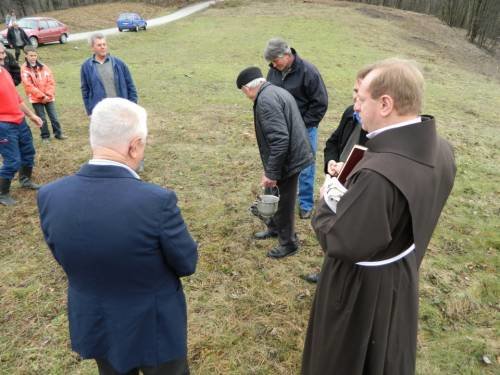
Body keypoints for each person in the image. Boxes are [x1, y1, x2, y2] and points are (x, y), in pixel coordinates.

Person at [301, 58, 456, 374]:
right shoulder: (442, 150)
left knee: (349, 360)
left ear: (385, 103)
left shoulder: (379, 174)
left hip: (362, 294)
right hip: (401, 276)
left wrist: (325, 202)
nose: (356, 107)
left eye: (361, 99)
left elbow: (340, 240)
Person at [37, 98, 198, 375]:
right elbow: (186, 263)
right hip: (153, 327)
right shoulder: (156, 202)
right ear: (134, 145)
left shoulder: (50, 195)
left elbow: (63, 256)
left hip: (97, 321)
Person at [236, 67, 313, 258]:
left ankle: (288, 243)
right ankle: (273, 228)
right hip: (290, 154)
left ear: (247, 88)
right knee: (271, 193)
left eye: (243, 92)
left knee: (284, 202)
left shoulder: (265, 101)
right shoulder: (275, 90)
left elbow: (280, 139)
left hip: (288, 159)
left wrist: (271, 173)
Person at [303, 69, 370, 284]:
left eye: (360, 93)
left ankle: (340, 277)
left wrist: (348, 169)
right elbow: (332, 142)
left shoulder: (378, 127)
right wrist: (331, 163)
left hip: (355, 188)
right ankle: (329, 271)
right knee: (330, 228)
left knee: (347, 234)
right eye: (354, 90)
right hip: (336, 181)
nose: (355, 97)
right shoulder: (351, 112)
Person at [264, 37, 328, 219]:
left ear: (286, 54)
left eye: (275, 61)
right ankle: (280, 201)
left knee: (305, 166)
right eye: (271, 63)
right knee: (280, 163)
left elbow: (320, 104)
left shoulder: (309, 72)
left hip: (305, 129)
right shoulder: (273, 72)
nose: (273, 65)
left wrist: (301, 124)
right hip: (280, 128)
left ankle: (305, 204)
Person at [0, 63, 43, 206]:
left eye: (3, 53)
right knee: (12, 160)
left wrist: (32, 115)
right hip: (4, 126)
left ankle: (25, 180)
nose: (3, 56)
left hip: (20, 121)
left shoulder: (5, 72)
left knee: (28, 152)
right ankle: (2, 193)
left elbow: (16, 98)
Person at [80, 32, 138, 116]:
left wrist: (132, 106)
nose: (103, 47)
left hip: (121, 109)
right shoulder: (86, 67)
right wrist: (90, 111)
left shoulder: (119, 64)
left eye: (104, 44)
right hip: (101, 112)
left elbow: (131, 86)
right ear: (92, 48)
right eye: (99, 45)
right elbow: (85, 91)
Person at [21, 45, 65, 142]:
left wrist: (48, 95)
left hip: (48, 97)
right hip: (36, 99)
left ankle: (58, 133)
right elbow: (28, 86)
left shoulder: (44, 67)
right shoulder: (24, 69)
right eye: (31, 55)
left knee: (54, 116)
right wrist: (42, 96)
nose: (33, 58)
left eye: (35, 55)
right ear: (26, 56)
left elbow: (51, 81)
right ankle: (45, 136)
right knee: (42, 118)